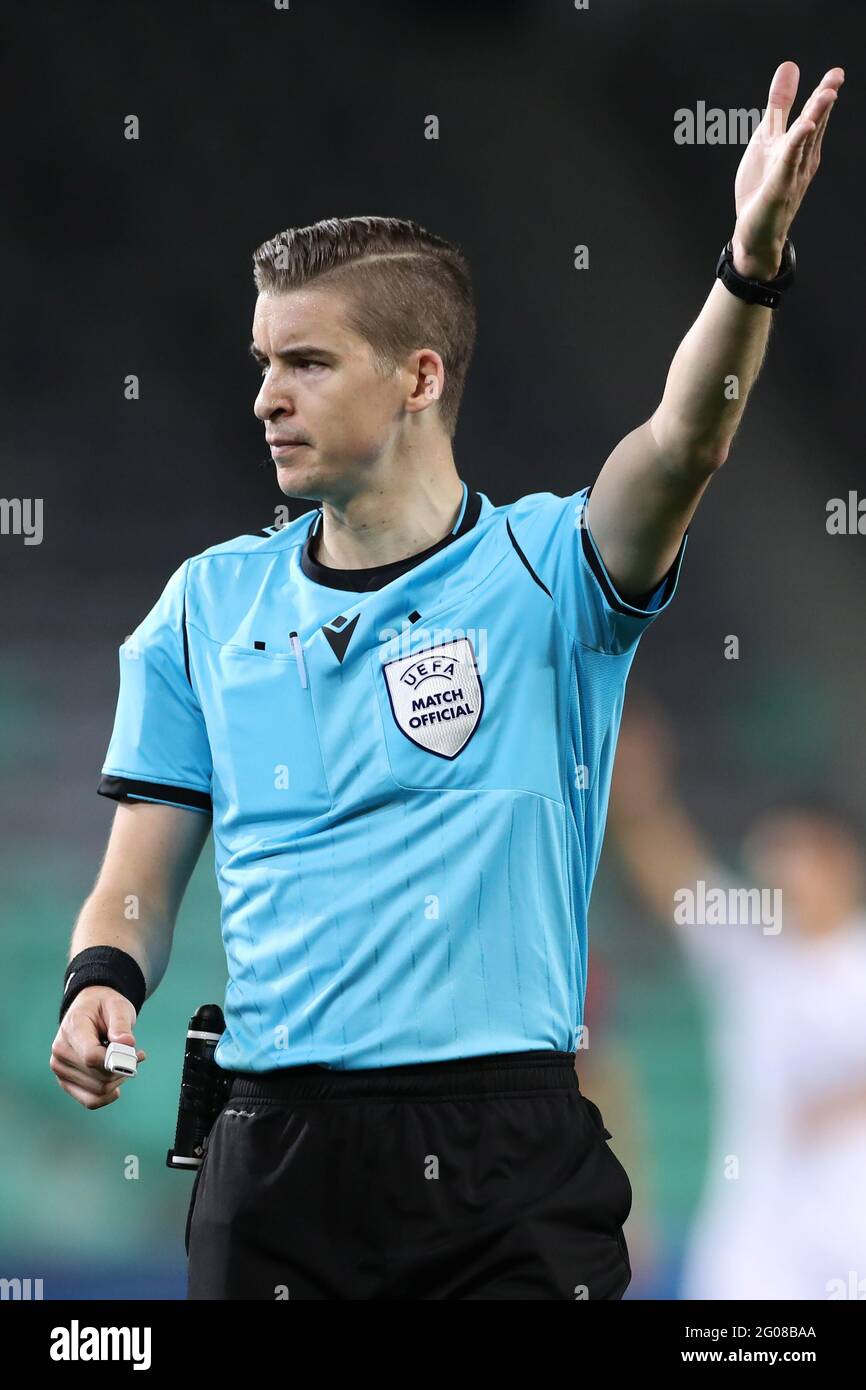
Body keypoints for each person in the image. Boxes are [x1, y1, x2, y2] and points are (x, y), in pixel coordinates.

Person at [49, 61, 844, 1299]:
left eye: (307, 361)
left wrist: (746, 266)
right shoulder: (204, 607)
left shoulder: (550, 568)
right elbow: (134, 887)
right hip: (272, 1162)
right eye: (262, 359)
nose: (264, 395)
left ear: (419, 376)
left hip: (503, 1163)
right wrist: (98, 983)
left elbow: (686, 438)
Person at [609, 702, 866, 1300]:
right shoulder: (750, 951)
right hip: (753, 1261)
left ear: (840, 860)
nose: (776, 868)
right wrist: (638, 796)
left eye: (795, 851)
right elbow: (673, 875)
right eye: (770, 852)